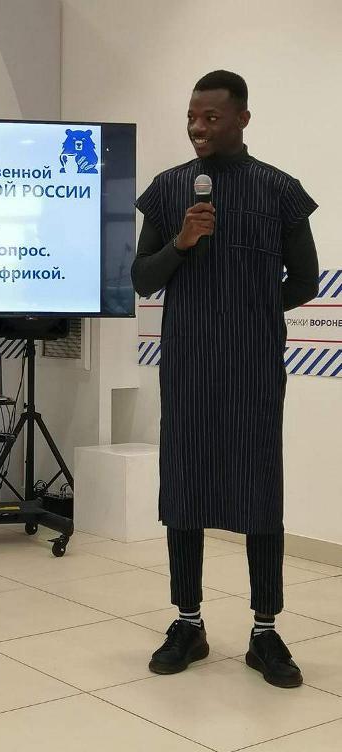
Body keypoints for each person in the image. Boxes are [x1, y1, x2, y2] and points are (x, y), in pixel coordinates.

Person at [131, 70, 319, 688]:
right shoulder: (168, 191)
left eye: (211, 117)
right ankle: (188, 623)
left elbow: (305, 280)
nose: (198, 128)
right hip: (188, 368)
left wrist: (254, 313)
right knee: (184, 488)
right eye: (192, 116)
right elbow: (142, 278)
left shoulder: (280, 191)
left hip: (254, 370)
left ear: (242, 118)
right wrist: (183, 241)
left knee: (260, 492)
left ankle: (265, 632)